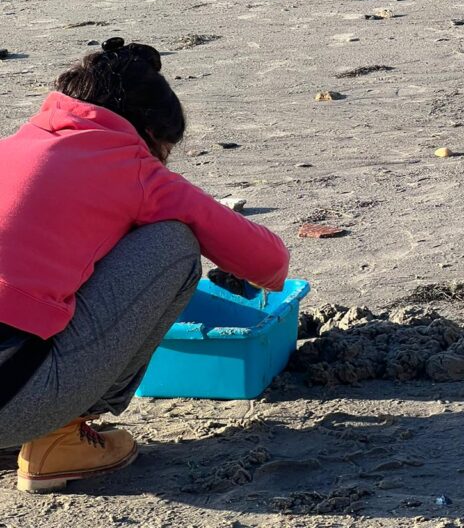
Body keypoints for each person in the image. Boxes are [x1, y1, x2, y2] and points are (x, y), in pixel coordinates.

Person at [0, 38, 290, 493]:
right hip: (11, 397)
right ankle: (59, 437)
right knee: (174, 242)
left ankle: (23, 430)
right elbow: (270, 262)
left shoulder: (12, 148)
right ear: (151, 135)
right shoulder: (134, 166)